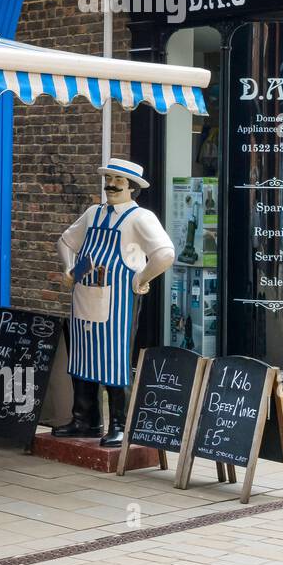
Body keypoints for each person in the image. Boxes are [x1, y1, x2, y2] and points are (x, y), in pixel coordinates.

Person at [51, 158, 175, 448]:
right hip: (83, 297)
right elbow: (66, 241)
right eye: (109, 178)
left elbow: (165, 253)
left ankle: (120, 424)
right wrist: (69, 269)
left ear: (133, 188)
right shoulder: (93, 213)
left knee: (114, 361)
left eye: (119, 180)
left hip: (117, 302)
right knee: (81, 357)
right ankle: (85, 419)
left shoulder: (140, 218)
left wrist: (141, 278)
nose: (111, 184)